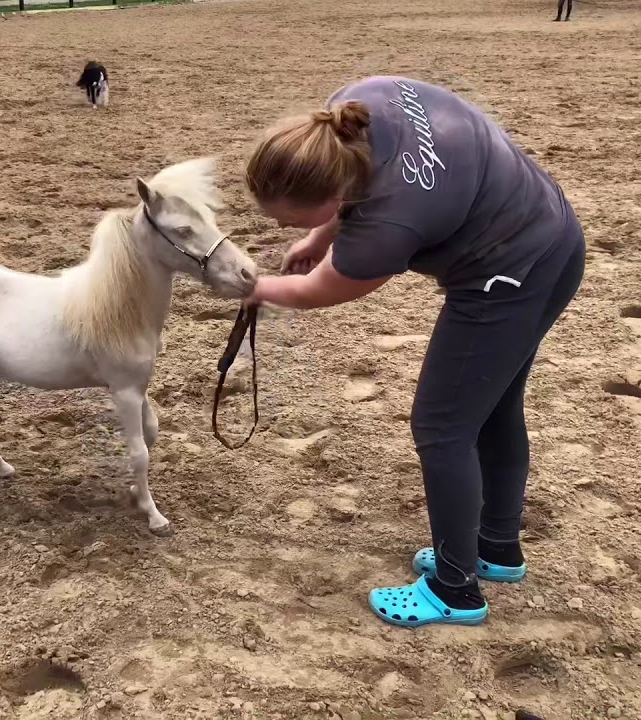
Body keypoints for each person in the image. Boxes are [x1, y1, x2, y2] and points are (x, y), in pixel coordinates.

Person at [241, 76, 585, 628]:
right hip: (553, 237)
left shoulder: (387, 223)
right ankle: (495, 548)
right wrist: (318, 238)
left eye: (285, 218)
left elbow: (315, 292)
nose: (279, 226)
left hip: (507, 274)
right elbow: (348, 196)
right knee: (492, 407)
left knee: (443, 427)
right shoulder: (355, 107)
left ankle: (455, 588)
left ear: (331, 195)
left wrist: (249, 287)